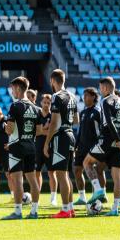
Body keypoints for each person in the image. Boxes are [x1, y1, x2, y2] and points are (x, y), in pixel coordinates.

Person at [83, 77, 120, 216]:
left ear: (105, 88)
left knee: (87, 162)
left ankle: (98, 189)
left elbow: (109, 122)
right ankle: (115, 209)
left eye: (101, 88)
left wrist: (117, 139)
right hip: (119, 144)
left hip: (106, 140)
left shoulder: (105, 101)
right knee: (116, 176)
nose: (100, 90)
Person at [1, 77, 42, 220]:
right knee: (32, 179)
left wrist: (5, 126)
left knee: (17, 180)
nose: (12, 91)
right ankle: (34, 211)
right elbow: (38, 130)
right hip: (31, 146)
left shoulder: (15, 106)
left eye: (12, 88)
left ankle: (18, 212)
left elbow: (10, 130)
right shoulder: (36, 108)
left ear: (18, 88)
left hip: (17, 147)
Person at [43, 69, 78, 218]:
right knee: (66, 175)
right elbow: (76, 120)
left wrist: (46, 143)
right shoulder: (72, 96)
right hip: (70, 134)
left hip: (60, 136)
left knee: (61, 174)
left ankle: (65, 210)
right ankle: (70, 208)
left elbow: (55, 122)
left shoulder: (56, 97)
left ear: (52, 80)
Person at [73, 88, 101, 205]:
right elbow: (80, 131)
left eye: (86, 96)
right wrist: (76, 145)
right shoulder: (83, 112)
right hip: (81, 147)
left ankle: (97, 195)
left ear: (93, 97)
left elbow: (101, 131)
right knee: (77, 170)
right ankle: (82, 197)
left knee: (93, 170)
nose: (84, 98)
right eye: (83, 96)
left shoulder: (98, 112)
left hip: (92, 146)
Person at [34, 92, 58, 206]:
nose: (46, 104)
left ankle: (53, 198)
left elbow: (54, 131)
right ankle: (36, 197)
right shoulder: (37, 115)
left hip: (50, 147)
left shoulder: (53, 115)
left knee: (51, 173)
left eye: (48, 103)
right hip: (38, 147)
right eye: (44, 102)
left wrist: (44, 130)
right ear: (41, 103)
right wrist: (46, 129)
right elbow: (37, 131)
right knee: (37, 173)